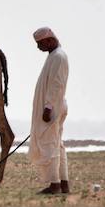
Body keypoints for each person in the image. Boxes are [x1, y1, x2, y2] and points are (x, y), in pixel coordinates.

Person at [28, 27, 70, 195]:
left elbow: (56, 84)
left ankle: (54, 185)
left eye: (40, 44)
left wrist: (48, 108)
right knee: (57, 145)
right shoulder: (54, 56)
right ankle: (64, 183)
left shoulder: (58, 56)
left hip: (53, 108)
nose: (38, 47)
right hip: (55, 106)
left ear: (50, 40)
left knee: (50, 144)